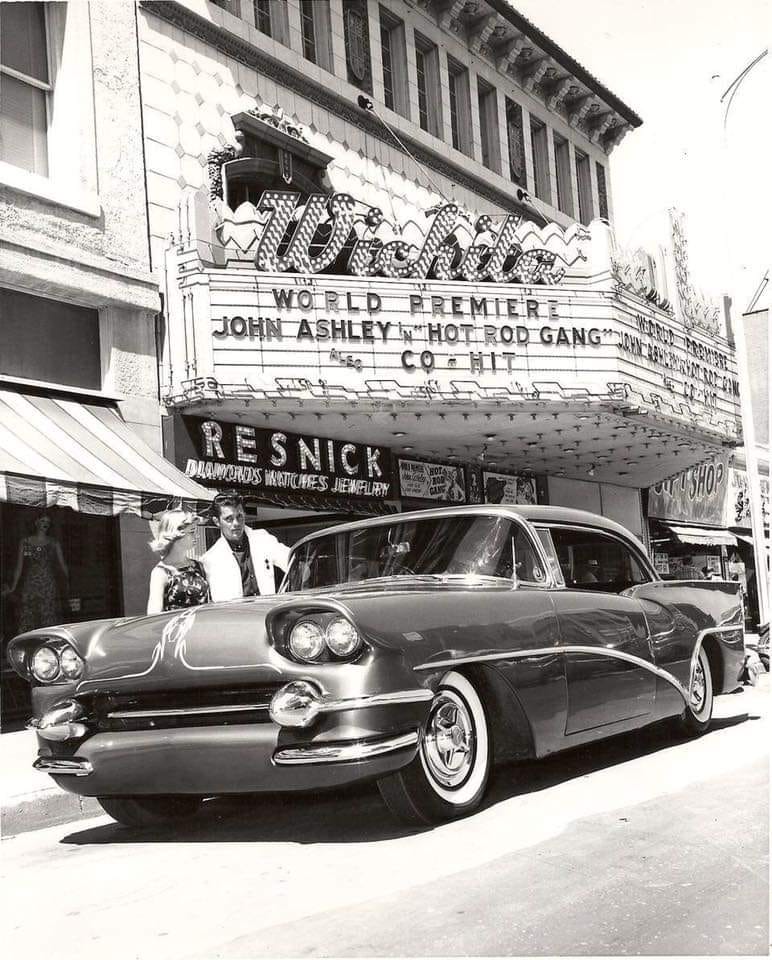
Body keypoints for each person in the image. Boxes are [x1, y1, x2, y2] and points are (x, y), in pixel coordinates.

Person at [202, 492, 289, 602]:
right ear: (217, 521)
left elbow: (290, 561)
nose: (236, 523)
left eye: (239, 516)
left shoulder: (263, 538)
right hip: (237, 617)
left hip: (267, 611)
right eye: (229, 519)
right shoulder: (211, 559)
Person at [3, 512, 68, 633]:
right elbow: (19, 567)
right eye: (43, 521)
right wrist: (13, 587)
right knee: (28, 616)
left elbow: (63, 565)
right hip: (31, 583)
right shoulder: (25, 542)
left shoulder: (54, 543)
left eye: (48, 522)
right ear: (36, 522)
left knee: (48, 616)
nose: (45, 524)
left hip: (47, 583)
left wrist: (68, 583)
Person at [147, 510, 210, 614]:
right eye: (192, 531)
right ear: (176, 533)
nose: (197, 536)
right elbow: (153, 617)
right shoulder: (161, 573)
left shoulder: (199, 566)